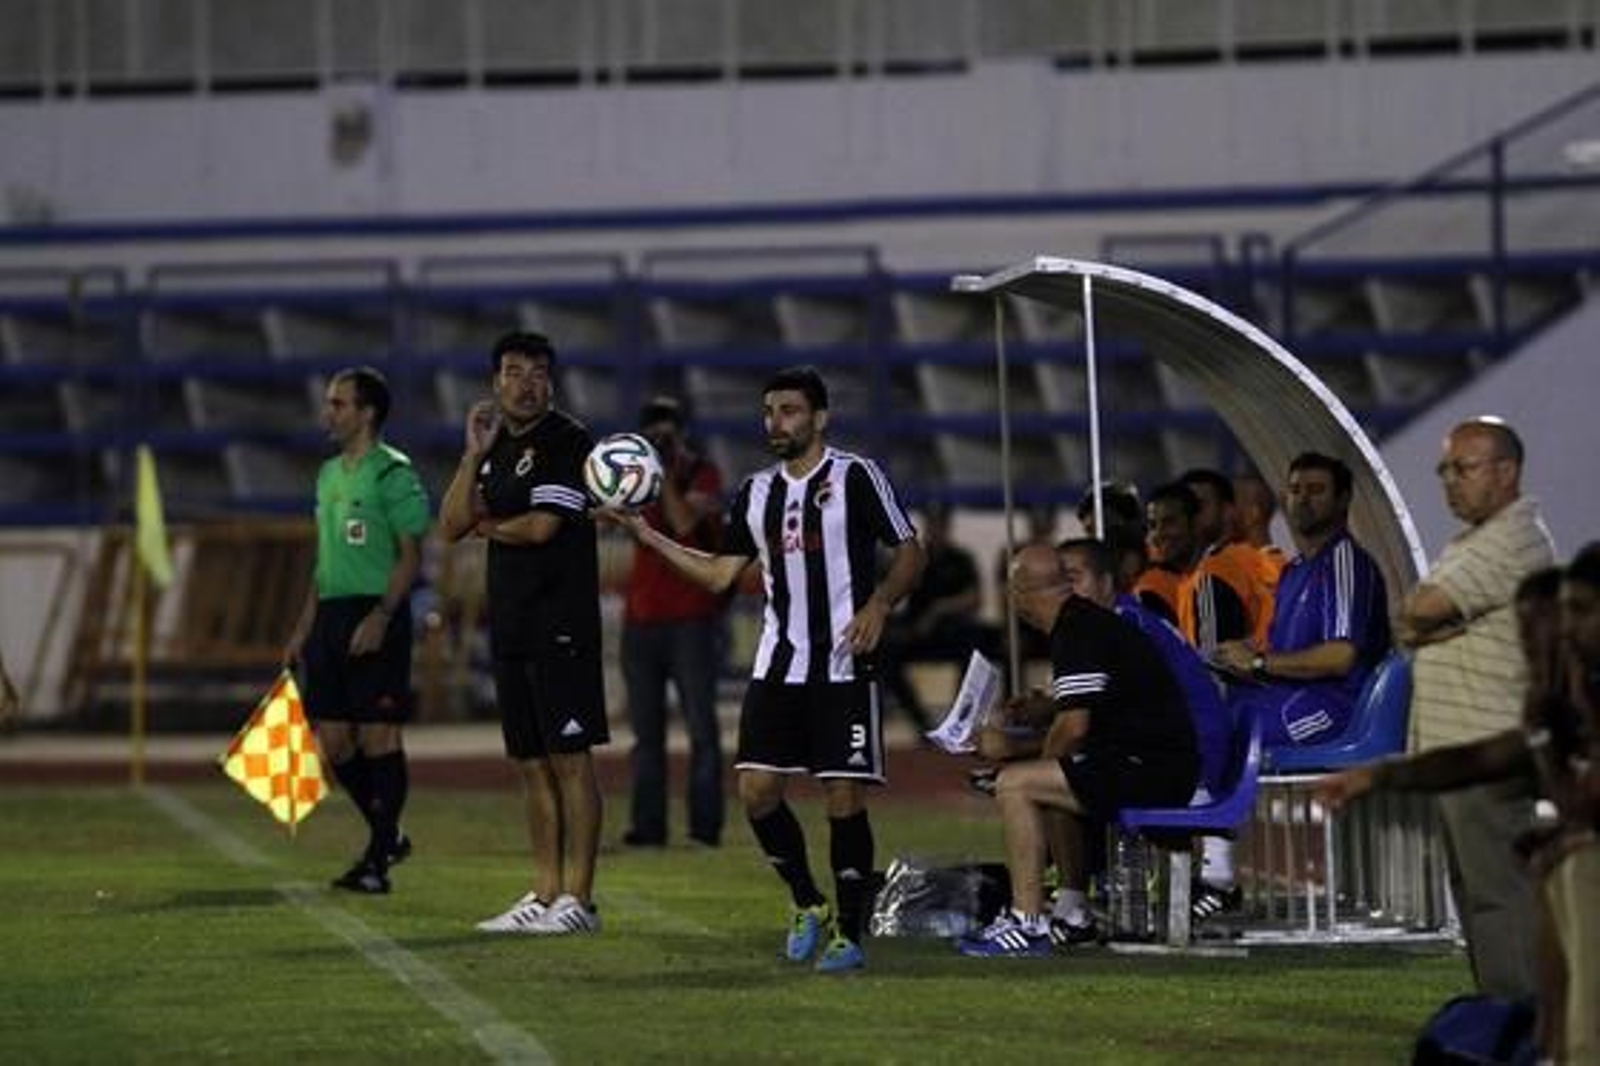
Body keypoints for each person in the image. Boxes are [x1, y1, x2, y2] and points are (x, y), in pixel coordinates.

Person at [614, 365, 925, 973]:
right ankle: (808, 903)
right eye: (769, 412)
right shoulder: (756, 492)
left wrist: (880, 604)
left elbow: (911, 549)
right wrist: (645, 536)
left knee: (844, 795)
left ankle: (851, 933)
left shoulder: (856, 476)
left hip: (843, 664)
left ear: (819, 418)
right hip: (780, 665)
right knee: (756, 791)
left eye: (788, 410)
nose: (775, 422)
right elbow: (720, 575)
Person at [1314, 553, 1597, 1062]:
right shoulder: (1562, 713)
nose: (1559, 636)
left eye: (1579, 612)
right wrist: (1383, 774)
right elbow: (1488, 758)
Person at [440, 330, 609, 935]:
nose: (526, 382)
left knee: (570, 759)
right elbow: (450, 524)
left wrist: (487, 524)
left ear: (551, 381)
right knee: (530, 763)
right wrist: (471, 454)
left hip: (561, 622)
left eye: (537, 371)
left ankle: (578, 900)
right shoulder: (494, 449)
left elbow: (541, 527)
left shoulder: (568, 441)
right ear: (495, 381)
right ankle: (543, 892)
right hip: (511, 623)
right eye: (514, 371)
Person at [956, 541, 1199, 958]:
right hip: (1152, 760)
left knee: (1017, 786)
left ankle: (1027, 922)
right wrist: (1022, 749)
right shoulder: (1083, 623)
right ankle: (1071, 912)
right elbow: (1078, 722)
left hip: (1154, 770)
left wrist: (1012, 754)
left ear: (1020, 595)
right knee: (1044, 785)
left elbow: (1073, 729)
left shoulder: (1077, 630)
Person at [1395, 417, 1556, 999]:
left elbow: (1425, 606)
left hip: (1487, 749)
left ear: (1506, 471)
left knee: (1500, 900)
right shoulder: (1469, 542)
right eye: (1445, 469)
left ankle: (1526, 1030)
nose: (1448, 481)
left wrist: (1425, 620)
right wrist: (1424, 620)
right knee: (1478, 900)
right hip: (1458, 750)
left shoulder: (1516, 537)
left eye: (1462, 468)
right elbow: (1410, 617)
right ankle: (1503, 1022)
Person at [284, 366, 430, 895]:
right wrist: (304, 627)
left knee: (379, 735)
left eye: (339, 404)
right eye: (330, 403)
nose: (329, 412)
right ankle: (387, 832)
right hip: (330, 616)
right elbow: (324, 560)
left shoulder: (393, 473)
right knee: (335, 742)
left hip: (376, 614)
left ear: (367, 412)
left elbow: (412, 555)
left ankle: (376, 860)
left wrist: (383, 617)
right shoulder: (327, 475)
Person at [1211, 452, 1391, 748]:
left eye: (1316, 490)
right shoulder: (1293, 570)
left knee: (1236, 738)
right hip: (1289, 695)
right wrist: (1242, 654)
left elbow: (1340, 657)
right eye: (1295, 490)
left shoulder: (1344, 560)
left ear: (1343, 499)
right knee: (1205, 717)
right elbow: (1281, 651)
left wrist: (1257, 661)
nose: (1303, 499)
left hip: (1336, 708)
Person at [620, 395, 727, 848]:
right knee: (646, 734)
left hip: (690, 618)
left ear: (681, 433)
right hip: (641, 619)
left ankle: (703, 828)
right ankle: (648, 826)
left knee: (701, 728)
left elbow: (683, 524)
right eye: (652, 433)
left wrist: (662, 474)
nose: (659, 440)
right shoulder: (632, 479)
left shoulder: (702, 473)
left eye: (666, 432)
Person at [878, 502, 999, 733]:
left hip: (950, 632)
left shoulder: (960, 558)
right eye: (932, 524)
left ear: (947, 526)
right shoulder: (917, 559)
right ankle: (921, 723)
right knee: (886, 652)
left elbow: (974, 598)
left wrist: (939, 610)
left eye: (940, 524)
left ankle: (960, 718)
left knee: (975, 644)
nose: (936, 529)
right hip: (918, 632)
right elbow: (894, 588)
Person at [1179, 468, 1276, 648]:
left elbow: (1212, 658)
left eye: (1199, 505)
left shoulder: (1217, 569)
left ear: (1227, 510)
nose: (1190, 515)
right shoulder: (1274, 562)